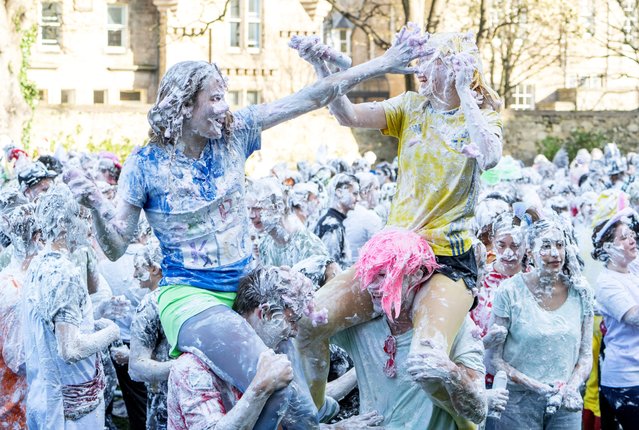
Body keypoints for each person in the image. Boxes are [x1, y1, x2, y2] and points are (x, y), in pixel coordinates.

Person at [64, 28, 428, 429]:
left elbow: (311, 97)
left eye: (225, 96)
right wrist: (97, 206)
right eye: (214, 98)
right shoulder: (145, 165)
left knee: (301, 407)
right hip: (190, 297)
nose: (224, 108)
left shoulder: (235, 134)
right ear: (184, 107)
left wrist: (383, 62)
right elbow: (116, 247)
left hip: (246, 289)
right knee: (272, 380)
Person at [294, 30, 503, 423]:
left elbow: (489, 156)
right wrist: (321, 67)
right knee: (309, 322)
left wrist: (464, 90)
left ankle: (466, 419)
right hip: (393, 256)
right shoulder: (411, 107)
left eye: (433, 61)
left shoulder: (481, 117)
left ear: (459, 68)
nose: (420, 68)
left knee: (426, 361)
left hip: (446, 260)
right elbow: (347, 116)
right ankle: (313, 414)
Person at [167, 265, 383, 429]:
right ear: (265, 313)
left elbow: (308, 405)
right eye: (292, 321)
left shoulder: (277, 350)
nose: (296, 332)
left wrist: (337, 426)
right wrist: (259, 389)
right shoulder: (192, 368)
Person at [331, 228, 493, 429]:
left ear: (416, 275)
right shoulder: (360, 324)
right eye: (369, 275)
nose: (371, 286)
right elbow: (303, 339)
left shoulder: (451, 325)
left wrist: (451, 374)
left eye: (382, 275)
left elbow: (478, 412)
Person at [21, 184, 121, 429]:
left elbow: (57, 329)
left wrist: (92, 323)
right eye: (82, 218)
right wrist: (111, 332)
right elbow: (70, 349)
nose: (88, 228)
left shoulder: (38, 265)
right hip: (70, 412)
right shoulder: (63, 273)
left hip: (46, 398)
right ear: (63, 224)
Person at [487, 217, 593, 429]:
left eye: (560, 245)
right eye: (546, 246)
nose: (555, 253)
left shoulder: (581, 292)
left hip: (565, 404)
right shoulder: (509, 292)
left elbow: (586, 354)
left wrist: (570, 388)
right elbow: (493, 358)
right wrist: (538, 387)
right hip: (517, 404)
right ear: (529, 252)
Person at [591, 209, 639, 429]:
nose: (632, 240)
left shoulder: (633, 270)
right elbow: (634, 317)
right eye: (624, 237)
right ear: (608, 248)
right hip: (626, 380)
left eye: (631, 235)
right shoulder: (607, 282)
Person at [246, 177, 338, 285]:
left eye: (258, 208)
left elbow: (331, 287)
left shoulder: (308, 245)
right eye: (249, 209)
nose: (251, 215)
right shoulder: (264, 245)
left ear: (278, 207)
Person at [0, 201, 38, 429]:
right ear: (37, 238)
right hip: (12, 409)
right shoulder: (14, 289)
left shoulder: (12, 278)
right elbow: (19, 359)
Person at [129, 242, 172, 430]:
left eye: (138, 268)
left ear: (154, 269)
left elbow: (137, 367)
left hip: (162, 391)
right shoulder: (181, 293)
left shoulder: (151, 303)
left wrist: (130, 356)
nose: (133, 275)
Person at [314, 173, 360, 269]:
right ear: (339, 192)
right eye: (354, 194)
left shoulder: (333, 222)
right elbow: (330, 270)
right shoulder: (332, 226)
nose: (358, 199)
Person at [344, 171, 383, 265]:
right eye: (376, 189)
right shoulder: (370, 217)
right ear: (365, 192)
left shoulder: (345, 212)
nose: (380, 193)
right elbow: (380, 255)